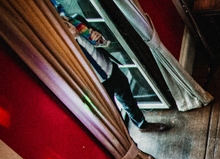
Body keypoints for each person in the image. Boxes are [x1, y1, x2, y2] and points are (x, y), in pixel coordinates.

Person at [52, 4, 169, 133]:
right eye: (62, 22)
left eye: (64, 19)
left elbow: (104, 42)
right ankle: (129, 143)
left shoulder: (78, 21)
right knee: (114, 117)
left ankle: (142, 125)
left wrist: (100, 39)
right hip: (96, 86)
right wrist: (73, 39)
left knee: (129, 101)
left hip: (111, 69)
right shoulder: (59, 47)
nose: (66, 22)